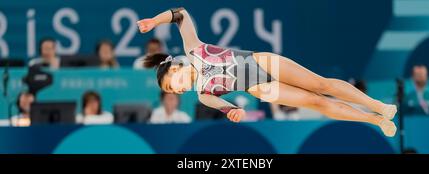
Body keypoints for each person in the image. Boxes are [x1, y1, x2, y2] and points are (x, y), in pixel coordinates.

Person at [137, 7, 398, 137]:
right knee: (317, 103)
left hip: (262, 63)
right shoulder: (204, 95)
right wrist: (235, 112)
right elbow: (227, 108)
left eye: (171, 85)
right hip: (261, 88)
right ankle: (375, 120)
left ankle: (377, 105)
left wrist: (154, 21)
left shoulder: (193, 49)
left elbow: (180, 13)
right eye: (173, 92)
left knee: (321, 86)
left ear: (175, 67)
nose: (177, 91)